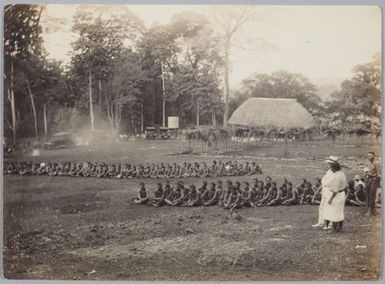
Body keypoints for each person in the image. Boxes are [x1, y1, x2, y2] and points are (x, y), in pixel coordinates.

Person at [322, 156, 347, 232]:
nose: (331, 170)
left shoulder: (336, 176)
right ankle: (340, 228)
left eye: (332, 168)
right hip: (342, 193)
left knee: (335, 212)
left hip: (337, 195)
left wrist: (330, 199)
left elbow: (335, 191)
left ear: (334, 169)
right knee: (340, 212)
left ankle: (334, 229)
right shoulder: (342, 174)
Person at [364, 152, 380, 216]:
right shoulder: (367, 163)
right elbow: (365, 171)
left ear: (373, 156)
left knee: (372, 195)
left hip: (373, 180)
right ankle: (371, 209)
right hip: (368, 179)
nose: (368, 157)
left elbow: (378, 174)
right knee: (367, 194)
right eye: (368, 156)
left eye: (370, 156)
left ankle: (371, 210)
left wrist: (377, 182)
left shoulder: (376, 163)